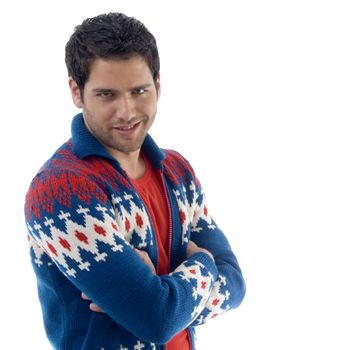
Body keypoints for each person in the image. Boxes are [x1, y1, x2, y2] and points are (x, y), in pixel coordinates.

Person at [24, 12, 245, 350]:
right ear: (76, 91)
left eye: (139, 90)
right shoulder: (60, 192)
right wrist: (203, 264)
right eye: (106, 95)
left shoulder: (177, 171)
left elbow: (236, 285)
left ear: (158, 84)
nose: (126, 111)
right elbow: (155, 319)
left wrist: (160, 289)